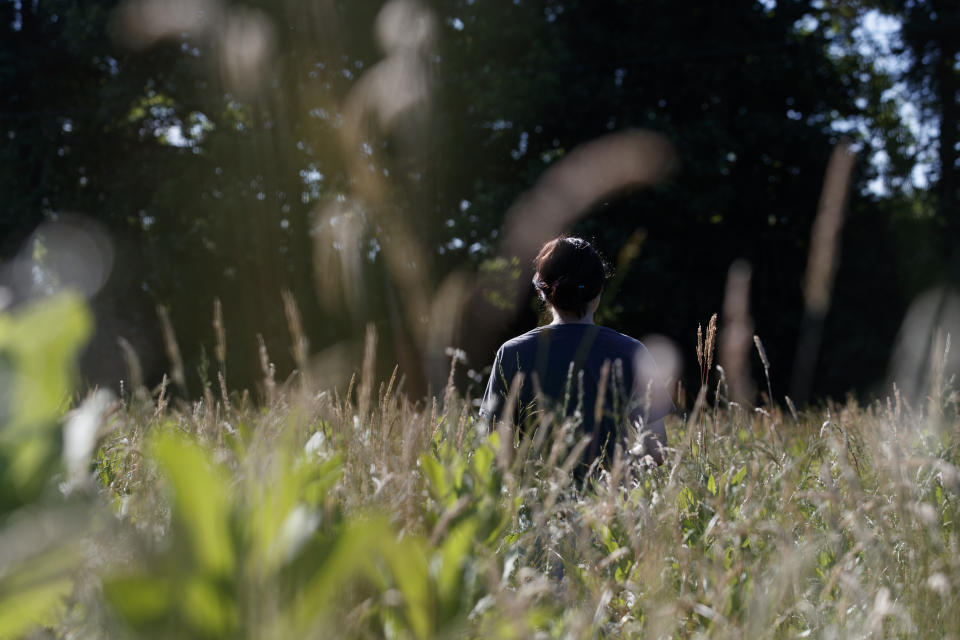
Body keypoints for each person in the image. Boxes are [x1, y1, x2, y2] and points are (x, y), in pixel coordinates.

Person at [479, 236, 672, 468]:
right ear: (599, 289)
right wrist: (611, 468)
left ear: (543, 291)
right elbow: (657, 449)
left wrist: (535, 474)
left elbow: (492, 449)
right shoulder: (632, 352)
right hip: (610, 501)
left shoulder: (511, 353)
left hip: (537, 501)